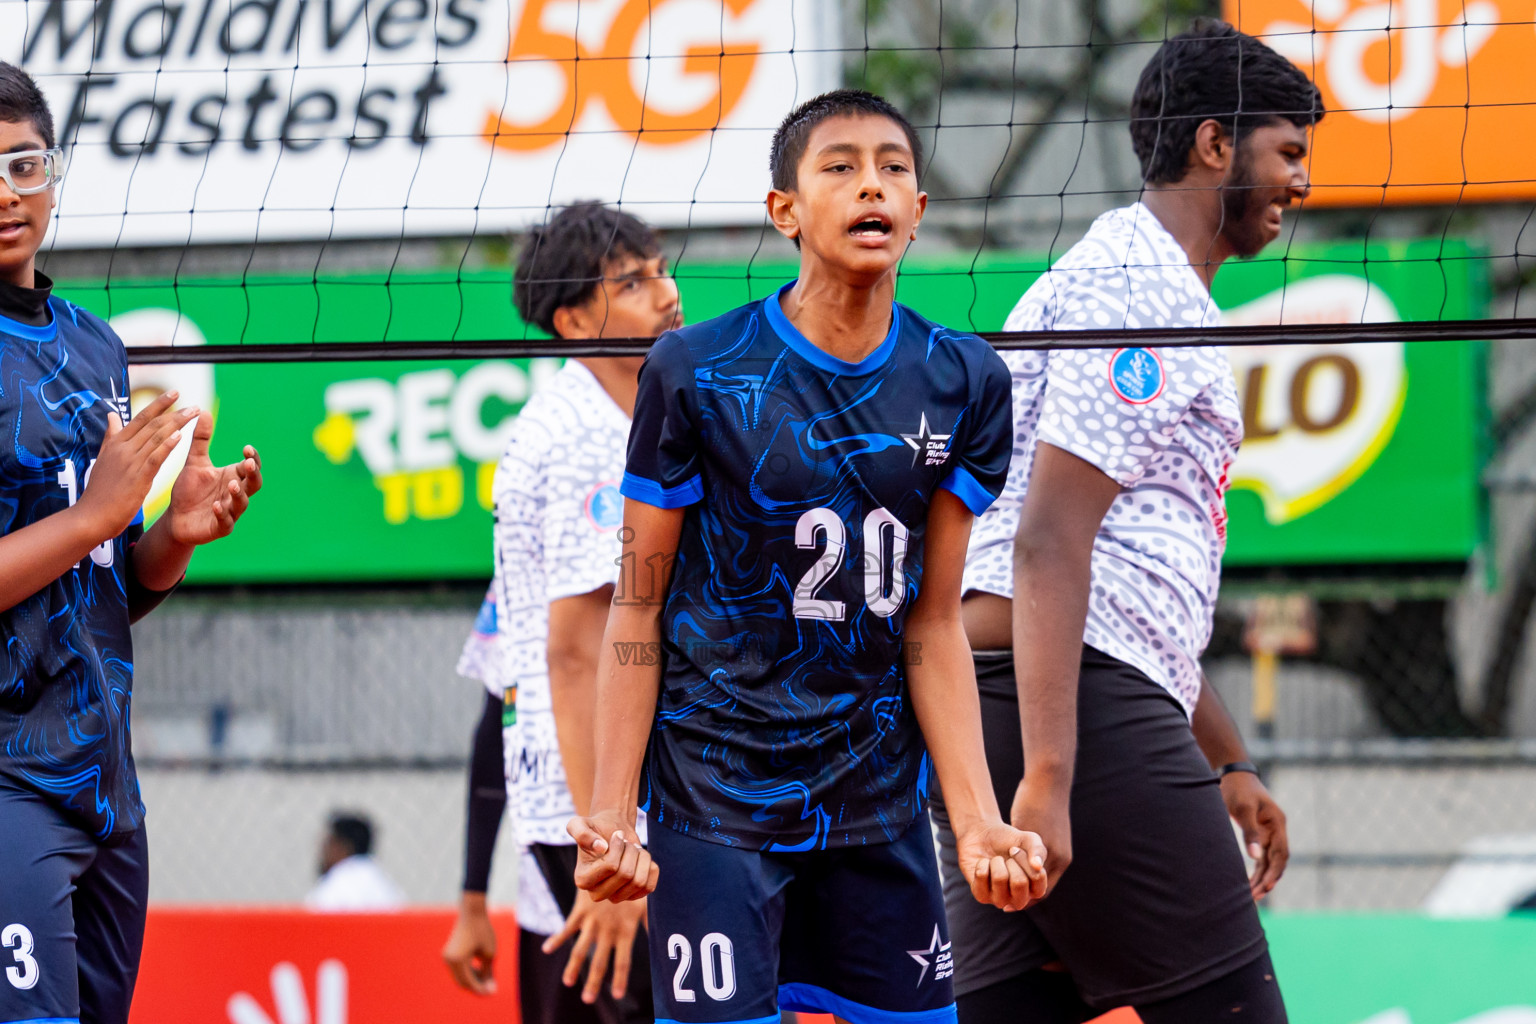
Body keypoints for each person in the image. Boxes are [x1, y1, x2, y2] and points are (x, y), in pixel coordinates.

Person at [568, 89, 1048, 1024]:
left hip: (877, 802)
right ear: (784, 209)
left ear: (918, 209)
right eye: (840, 166)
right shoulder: (696, 370)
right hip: (713, 798)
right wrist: (612, 813)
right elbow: (635, 607)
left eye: (893, 168)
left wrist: (980, 818)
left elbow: (936, 620)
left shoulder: (966, 382)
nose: (871, 184)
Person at [935, 20, 1320, 1023]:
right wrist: (1054, 781)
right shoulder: (1144, 287)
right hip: (1071, 710)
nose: (1302, 182)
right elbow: (1051, 541)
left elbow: (1116, 574)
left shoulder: (1122, 272)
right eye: (1289, 152)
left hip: (1014, 695)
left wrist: (1225, 756)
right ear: (1214, 145)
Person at [0, 60, 263, 1024]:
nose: (5, 193)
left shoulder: (95, 344)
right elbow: (85, 528)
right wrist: (93, 520)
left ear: (53, 174)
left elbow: (102, 585)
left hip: (107, 786)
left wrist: (167, 540)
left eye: (24, 166)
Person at [440, 202, 681, 1021]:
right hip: (598, 814)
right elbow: (575, 655)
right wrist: (609, 851)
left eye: (660, 269)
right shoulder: (583, 435)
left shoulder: (631, 417)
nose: (668, 292)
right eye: (634, 281)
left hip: (601, 801)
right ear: (575, 319)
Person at [305, 812, 407, 911]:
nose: (323, 853)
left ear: (341, 847)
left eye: (328, 843)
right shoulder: (387, 887)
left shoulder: (335, 885)